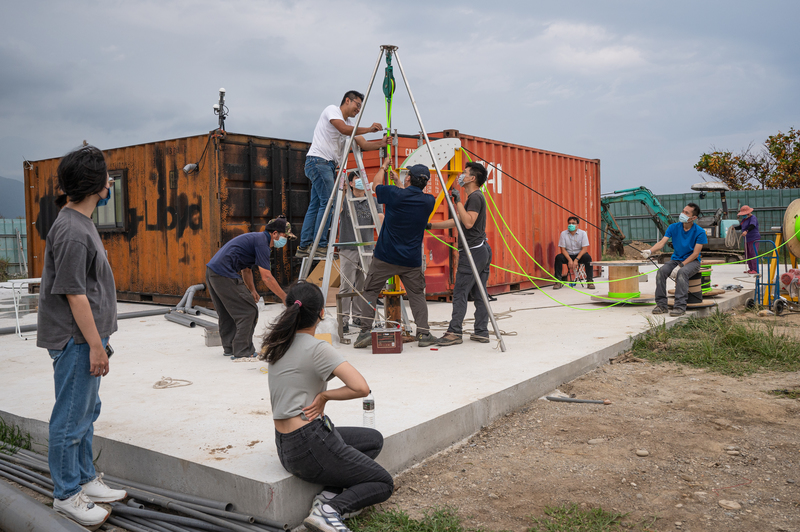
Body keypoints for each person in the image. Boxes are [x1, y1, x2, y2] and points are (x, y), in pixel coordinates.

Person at [37, 145, 127, 527]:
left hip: (87, 338)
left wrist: (100, 338)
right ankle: (66, 494)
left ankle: (85, 480)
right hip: (76, 340)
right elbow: (73, 293)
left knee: (86, 414)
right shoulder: (73, 230)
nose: (110, 180)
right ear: (96, 185)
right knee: (70, 419)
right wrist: (94, 345)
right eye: (107, 175)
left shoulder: (80, 222)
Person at [260, 281, 392, 532]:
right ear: (322, 313)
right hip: (309, 444)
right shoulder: (317, 348)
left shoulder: (279, 342)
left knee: (372, 440)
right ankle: (329, 512)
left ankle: (329, 495)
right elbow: (361, 387)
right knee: (383, 482)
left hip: (286, 446)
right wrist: (325, 397)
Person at [352, 161, 439, 348]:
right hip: (411, 260)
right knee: (416, 294)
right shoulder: (428, 201)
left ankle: (365, 332)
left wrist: (382, 168)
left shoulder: (394, 194)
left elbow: (376, 186)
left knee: (371, 291)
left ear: (408, 177)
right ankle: (423, 334)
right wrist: (401, 185)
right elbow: (410, 198)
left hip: (386, 256)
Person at [296, 91, 386, 259]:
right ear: (347, 100)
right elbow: (344, 130)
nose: (358, 109)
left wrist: (381, 143)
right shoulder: (332, 111)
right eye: (357, 105)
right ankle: (320, 245)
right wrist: (369, 128)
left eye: (360, 106)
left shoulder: (349, 123)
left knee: (316, 205)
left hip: (325, 165)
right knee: (329, 203)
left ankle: (305, 245)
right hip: (319, 161)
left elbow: (364, 144)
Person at [206, 217, 292, 360]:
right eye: (285, 236)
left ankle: (230, 347)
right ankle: (243, 351)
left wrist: (252, 290)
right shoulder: (262, 243)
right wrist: (284, 297)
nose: (286, 240)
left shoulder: (256, 239)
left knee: (228, 312)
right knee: (248, 310)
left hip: (213, 272)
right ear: (275, 233)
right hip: (224, 273)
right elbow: (267, 277)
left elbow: (246, 270)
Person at [428, 162, 493, 345]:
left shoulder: (474, 197)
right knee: (479, 293)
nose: (461, 175)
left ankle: (454, 332)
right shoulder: (474, 198)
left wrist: (456, 201)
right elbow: (458, 220)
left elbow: (468, 223)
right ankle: (481, 331)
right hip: (481, 249)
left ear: (472, 178)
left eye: (464, 173)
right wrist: (431, 226)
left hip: (473, 251)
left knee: (460, 292)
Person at [641, 203, 707, 317]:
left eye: (686, 213)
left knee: (682, 273)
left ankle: (680, 307)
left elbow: (696, 254)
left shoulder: (700, 232)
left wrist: (681, 266)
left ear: (693, 218)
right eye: (683, 211)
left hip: (693, 262)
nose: (682, 214)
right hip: (676, 259)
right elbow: (662, 243)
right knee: (661, 272)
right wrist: (650, 251)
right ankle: (661, 305)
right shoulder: (673, 227)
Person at [338, 170, 383, 333]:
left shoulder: (372, 200)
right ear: (350, 183)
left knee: (364, 285)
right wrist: (342, 191)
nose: (360, 182)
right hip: (348, 247)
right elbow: (338, 212)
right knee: (347, 285)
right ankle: (342, 319)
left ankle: (358, 316)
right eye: (357, 179)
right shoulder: (346, 199)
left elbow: (380, 218)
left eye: (362, 179)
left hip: (367, 248)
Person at [553, 216, 595, 290]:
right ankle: (558, 281)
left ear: (577, 225)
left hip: (579, 255)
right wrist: (569, 260)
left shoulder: (583, 234)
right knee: (558, 257)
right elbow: (563, 249)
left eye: (573, 223)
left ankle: (590, 281)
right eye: (569, 223)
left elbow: (584, 249)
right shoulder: (563, 234)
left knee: (588, 258)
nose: (571, 225)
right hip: (568, 255)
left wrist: (576, 260)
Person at [734, 205, 760, 274]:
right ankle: (751, 268)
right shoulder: (744, 220)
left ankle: (755, 269)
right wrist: (734, 228)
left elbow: (752, 226)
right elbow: (741, 226)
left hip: (753, 238)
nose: (743, 216)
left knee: (753, 253)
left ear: (748, 213)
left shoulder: (753, 218)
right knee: (747, 254)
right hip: (747, 239)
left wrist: (746, 231)